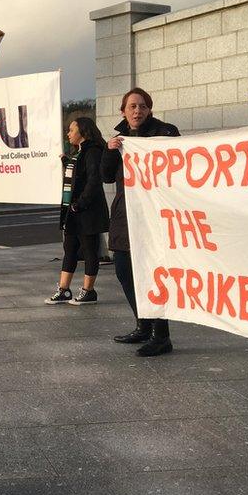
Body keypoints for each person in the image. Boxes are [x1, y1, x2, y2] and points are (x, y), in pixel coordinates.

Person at [101, 87, 180, 357]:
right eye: (132, 106)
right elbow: (107, 176)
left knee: (153, 275)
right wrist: (110, 150)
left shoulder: (165, 133)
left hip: (154, 216)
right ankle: (143, 325)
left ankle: (162, 336)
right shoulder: (119, 140)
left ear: (150, 110)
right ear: (123, 111)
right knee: (124, 271)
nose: (137, 111)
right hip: (126, 215)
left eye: (143, 106)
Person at [45, 117, 110, 305]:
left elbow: (94, 182)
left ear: (82, 131)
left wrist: (79, 204)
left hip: (87, 211)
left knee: (89, 250)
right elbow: (78, 177)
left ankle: (89, 291)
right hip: (74, 211)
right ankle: (64, 290)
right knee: (70, 249)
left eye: (71, 130)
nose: (68, 134)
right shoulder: (79, 152)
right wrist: (67, 163)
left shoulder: (93, 152)